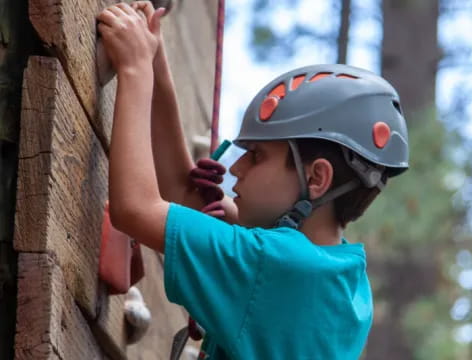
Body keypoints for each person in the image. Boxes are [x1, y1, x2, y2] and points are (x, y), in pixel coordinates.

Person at [97, 2, 409, 359]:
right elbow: (180, 194)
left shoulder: (278, 264)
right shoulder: (343, 281)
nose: (237, 169)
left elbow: (135, 209)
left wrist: (135, 68)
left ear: (317, 177)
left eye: (257, 156)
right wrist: (155, 58)